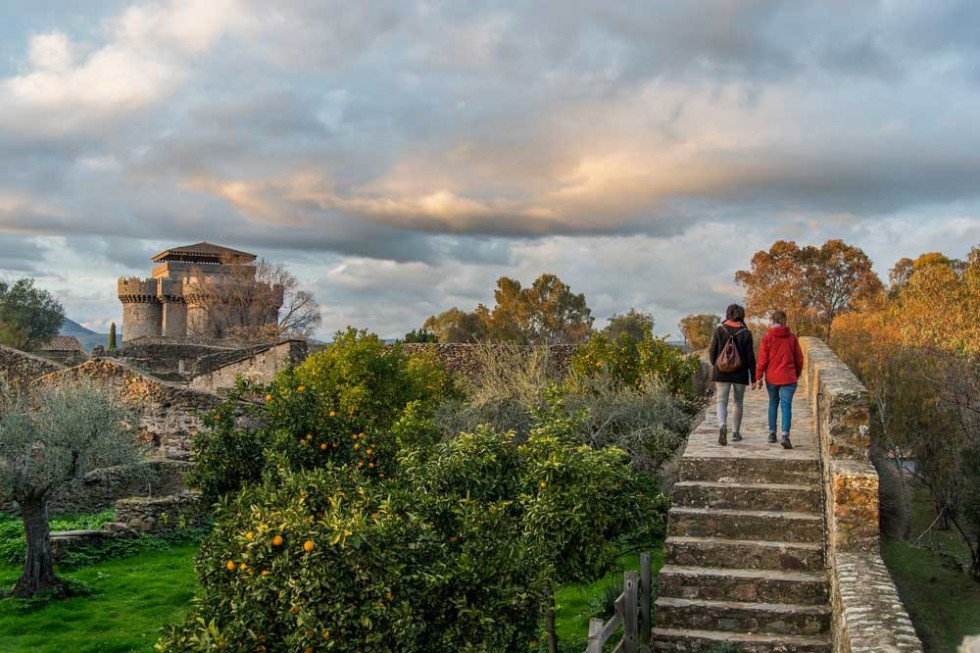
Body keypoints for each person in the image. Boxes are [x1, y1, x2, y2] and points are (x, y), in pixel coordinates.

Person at [754, 310, 804, 450]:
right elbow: (799, 359)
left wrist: (758, 377)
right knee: (786, 405)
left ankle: (771, 433)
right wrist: (797, 374)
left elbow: (762, 360)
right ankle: (785, 435)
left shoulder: (768, 338)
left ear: (772, 321)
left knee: (773, 403)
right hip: (788, 378)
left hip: (772, 377)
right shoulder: (792, 338)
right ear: (785, 321)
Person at [709, 304, 756, 446]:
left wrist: (717, 365)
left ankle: (722, 425)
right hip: (740, 375)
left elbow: (712, 353)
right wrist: (753, 377)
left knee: (721, 401)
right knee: (738, 402)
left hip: (721, 373)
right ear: (742, 315)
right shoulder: (746, 333)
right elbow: (750, 358)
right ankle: (735, 432)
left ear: (728, 314)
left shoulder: (719, 330)